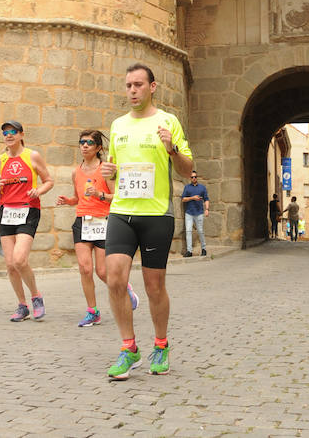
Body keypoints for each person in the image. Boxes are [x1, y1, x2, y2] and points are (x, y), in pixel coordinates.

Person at [101, 64, 193, 380]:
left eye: (138, 84)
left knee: (154, 287)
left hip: (156, 215)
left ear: (152, 87)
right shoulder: (117, 125)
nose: (132, 90)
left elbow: (187, 169)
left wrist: (172, 149)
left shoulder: (168, 122)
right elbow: (113, 170)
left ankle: (161, 344)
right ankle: (129, 349)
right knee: (114, 278)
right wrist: (108, 175)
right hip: (122, 211)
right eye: (128, 85)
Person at [56, 129, 139, 327]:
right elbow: (79, 197)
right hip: (83, 221)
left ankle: (124, 287)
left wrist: (100, 195)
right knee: (85, 268)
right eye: (82, 142)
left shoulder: (105, 170)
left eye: (89, 143)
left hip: (103, 221)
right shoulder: (76, 171)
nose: (84, 145)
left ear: (98, 147)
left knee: (102, 271)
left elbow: (118, 196)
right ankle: (92, 311)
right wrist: (69, 201)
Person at [0, 120, 53, 322]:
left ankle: (36, 296)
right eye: (5, 132)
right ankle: (22, 305)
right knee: (9, 265)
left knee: (19, 259)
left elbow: (49, 180)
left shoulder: (32, 156)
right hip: (6, 211)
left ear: (21, 134)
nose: (9, 135)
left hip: (28, 210)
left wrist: (38, 191)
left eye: (13, 132)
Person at [181, 170, 209, 257]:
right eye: (192, 177)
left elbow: (206, 199)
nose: (194, 178)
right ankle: (189, 251)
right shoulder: (187, 188)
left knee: (200, 231)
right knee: (188, 231)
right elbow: (183, 199)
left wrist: (207, 209)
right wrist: (192, 198)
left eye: (195, 177)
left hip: (199, 212)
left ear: (197, 177)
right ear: (190, 178)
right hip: (189, 213)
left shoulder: (202, 188)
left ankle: (203, 249)